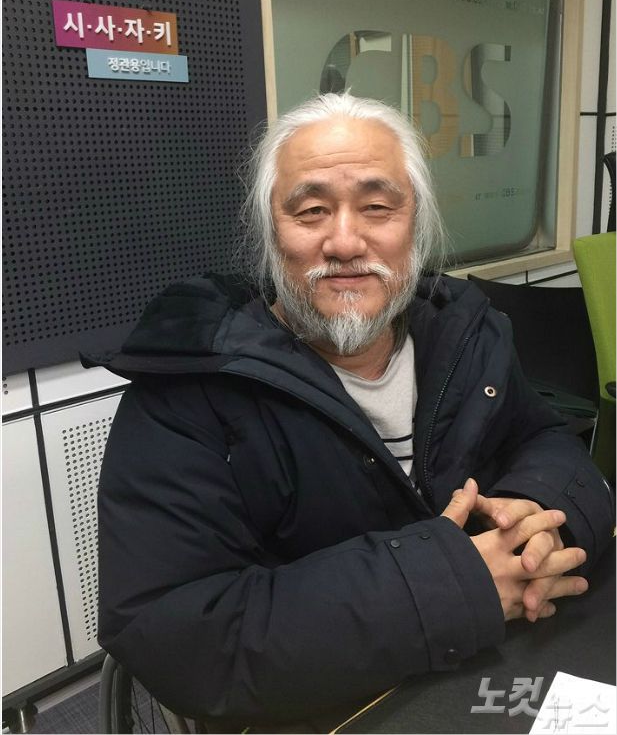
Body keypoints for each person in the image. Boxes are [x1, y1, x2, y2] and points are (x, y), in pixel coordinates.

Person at [91, 93, 614, 731]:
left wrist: (541, 517)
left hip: (490, 664)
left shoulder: (467, 334)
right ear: (270, 235)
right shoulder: (190, 388)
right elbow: (176, 633)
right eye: (311, 211)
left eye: (377, 207)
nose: (344, 241)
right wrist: (456, 584)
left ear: (416, 226)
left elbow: (544, 439)